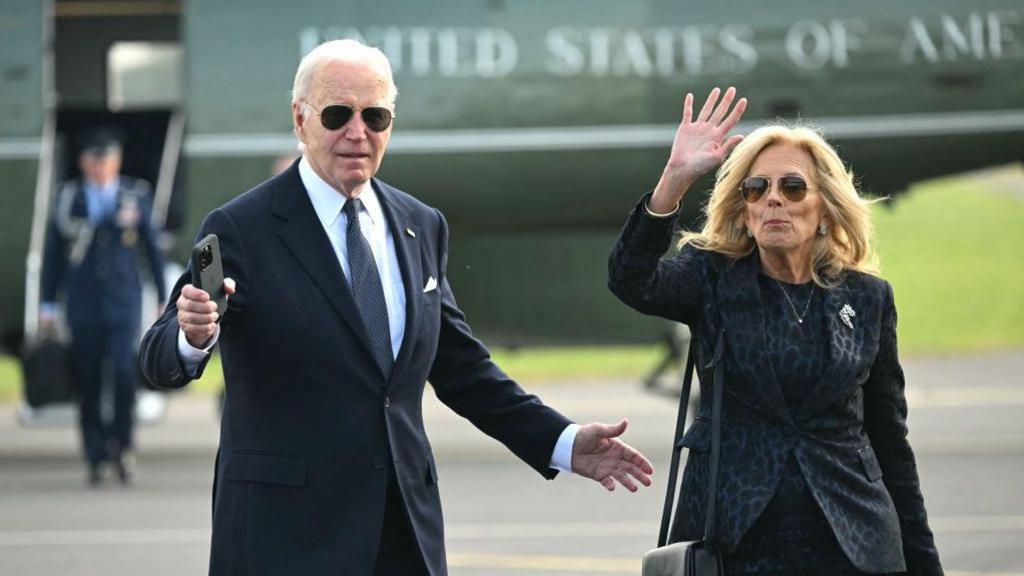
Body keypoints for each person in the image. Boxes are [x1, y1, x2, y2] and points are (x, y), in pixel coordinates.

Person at [140, 39, 653, 575]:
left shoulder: (420, 224)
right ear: (300, 119)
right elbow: (155, 356)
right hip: (286, 536)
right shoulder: (241, 228)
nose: (357, 132)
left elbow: (461, 368)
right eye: (338, 114)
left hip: (401, 532)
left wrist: (564, 441)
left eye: (376, 116)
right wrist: (191, 336)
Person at [608, 88, 943, 574]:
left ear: (825, 209)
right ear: (743, 211)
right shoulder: (712, 279)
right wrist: (674, 181)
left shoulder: (868, 299)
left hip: (852, 541)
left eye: (792, 187)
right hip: (736, 540)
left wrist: (924, 564)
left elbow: (890, 441)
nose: (772, 201)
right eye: (756, 189)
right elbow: (630, 279)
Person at [41, 127, 167, 486]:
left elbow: (153, 250)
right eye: (95, 161)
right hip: (83, 303)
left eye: (107, 160)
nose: (101, 168)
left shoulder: (134, 194)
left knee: (125, 375)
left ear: (116, 162)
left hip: (124, 300)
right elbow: (53, 255)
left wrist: (162, 296)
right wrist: (48, 303)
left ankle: (123, 447)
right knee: (89, 378)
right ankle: (95, 454)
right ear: (84, 163)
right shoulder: (71, 198)